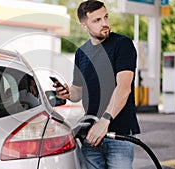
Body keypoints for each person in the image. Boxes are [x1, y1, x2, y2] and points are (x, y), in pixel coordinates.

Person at [53, 0, 140, 168]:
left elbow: (123, 87)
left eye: (106, 17)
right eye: (97, 20)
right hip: (91, 135)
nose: (105, 23)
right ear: (84, 26)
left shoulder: (122, 44)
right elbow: (78, 91)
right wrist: (67, 93)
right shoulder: (81, 53)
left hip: (118, 134)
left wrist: (104, 121)